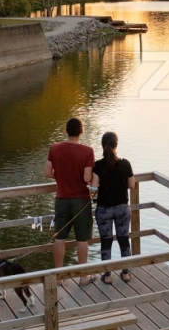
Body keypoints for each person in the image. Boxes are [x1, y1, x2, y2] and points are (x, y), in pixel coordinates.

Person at [45, 117, 96, 285]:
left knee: (60, 237)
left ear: (66, 131)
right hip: (81, 200)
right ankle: (83, 277)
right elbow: (87, 178)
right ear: (81, 131)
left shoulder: (55, 148)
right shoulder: (87, 151)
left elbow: (47, 172)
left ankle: (59, 277)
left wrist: (60, 176)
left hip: (61, 199)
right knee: (82, 239)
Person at [91, 132, 135, 284]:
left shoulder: (98, 165)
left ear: (102, 145)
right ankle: (126, 274)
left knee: (106, 241)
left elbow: (93, 188)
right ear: (116, 145)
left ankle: (108, 275)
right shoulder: (125, 164)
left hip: (104, 210)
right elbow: (131, 185)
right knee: (124, 239)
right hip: (122, 208)